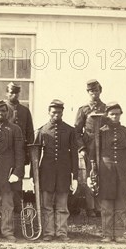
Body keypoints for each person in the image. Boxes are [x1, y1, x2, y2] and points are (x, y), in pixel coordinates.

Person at [89, 102, 126, 243]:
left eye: (117, 114)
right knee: (106, 206)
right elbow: (92, 155)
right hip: (106, 173)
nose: (114, 117)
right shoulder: (100, 133)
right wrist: (90, 174)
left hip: (122, 174)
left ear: (120, 114)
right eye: (111, 114)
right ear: (107, 115)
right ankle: (107, 234)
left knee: (121, 205)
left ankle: (119, 234)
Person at [33, 100, 79, 241]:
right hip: (46, 173)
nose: (56, 115)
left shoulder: (70, 130)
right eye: (53, 112)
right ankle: (48, 233)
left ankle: (61, 232)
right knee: (46, 205)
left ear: (62, 113)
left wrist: (75, 176)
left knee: (62, 205)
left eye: (59, 112)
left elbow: (74, 155)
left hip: (64, 173)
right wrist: (32, 178)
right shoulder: (42, 130)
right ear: (49, 113)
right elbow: (35, 155)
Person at [0, 101, 24, 242]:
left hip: (8, 172)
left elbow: (20, 153)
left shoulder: (15, 129)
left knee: (8, 202)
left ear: (7, 112)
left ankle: (7, 231)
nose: (1, 113)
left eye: (3, 111)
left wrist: (17, 172)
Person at [74, 79, 106, 217]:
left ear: (100, 91)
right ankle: (90, 207)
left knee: (103, 175)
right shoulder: (84, 109)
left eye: (96, 90)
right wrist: (81, 147)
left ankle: (100, 207)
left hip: (104, 147)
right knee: (89, 175)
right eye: (91, 91)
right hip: (89, 147)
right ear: (88, 92)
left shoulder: (106, 108)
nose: (94, 93)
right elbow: (76, 131)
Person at [4, 82, 34, 213]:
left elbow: (30, 132)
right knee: (4, 178)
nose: (13, 95)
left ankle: (17, 208)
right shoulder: (2, 109)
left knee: (18, 178)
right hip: (5, 150)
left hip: (20, 151)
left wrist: (28, 151)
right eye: (10, 92)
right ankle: (5, 208)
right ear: (7, 93)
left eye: (15, 92)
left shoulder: (25, 110)